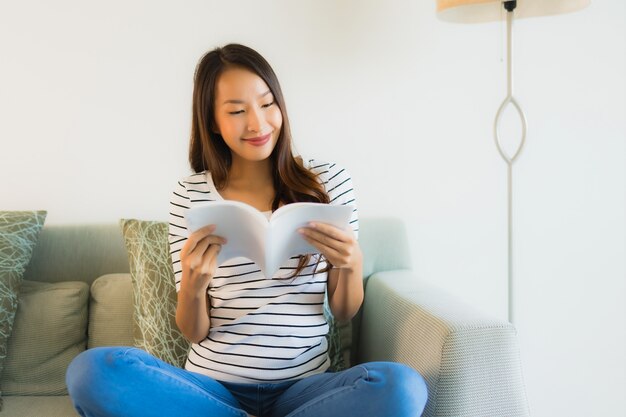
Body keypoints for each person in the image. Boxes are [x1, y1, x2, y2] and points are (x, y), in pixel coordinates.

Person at [66, 43, 428, 417]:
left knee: (401, 388)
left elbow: (344, 311)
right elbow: (193, 331)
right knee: (92, 371)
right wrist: (192, 281)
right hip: (213, 390)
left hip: (305, 390)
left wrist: (351, 264)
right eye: (237, 111)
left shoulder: (329, 183)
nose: (257, 123)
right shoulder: (190, 195)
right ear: (212, 122)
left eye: (267, 104)